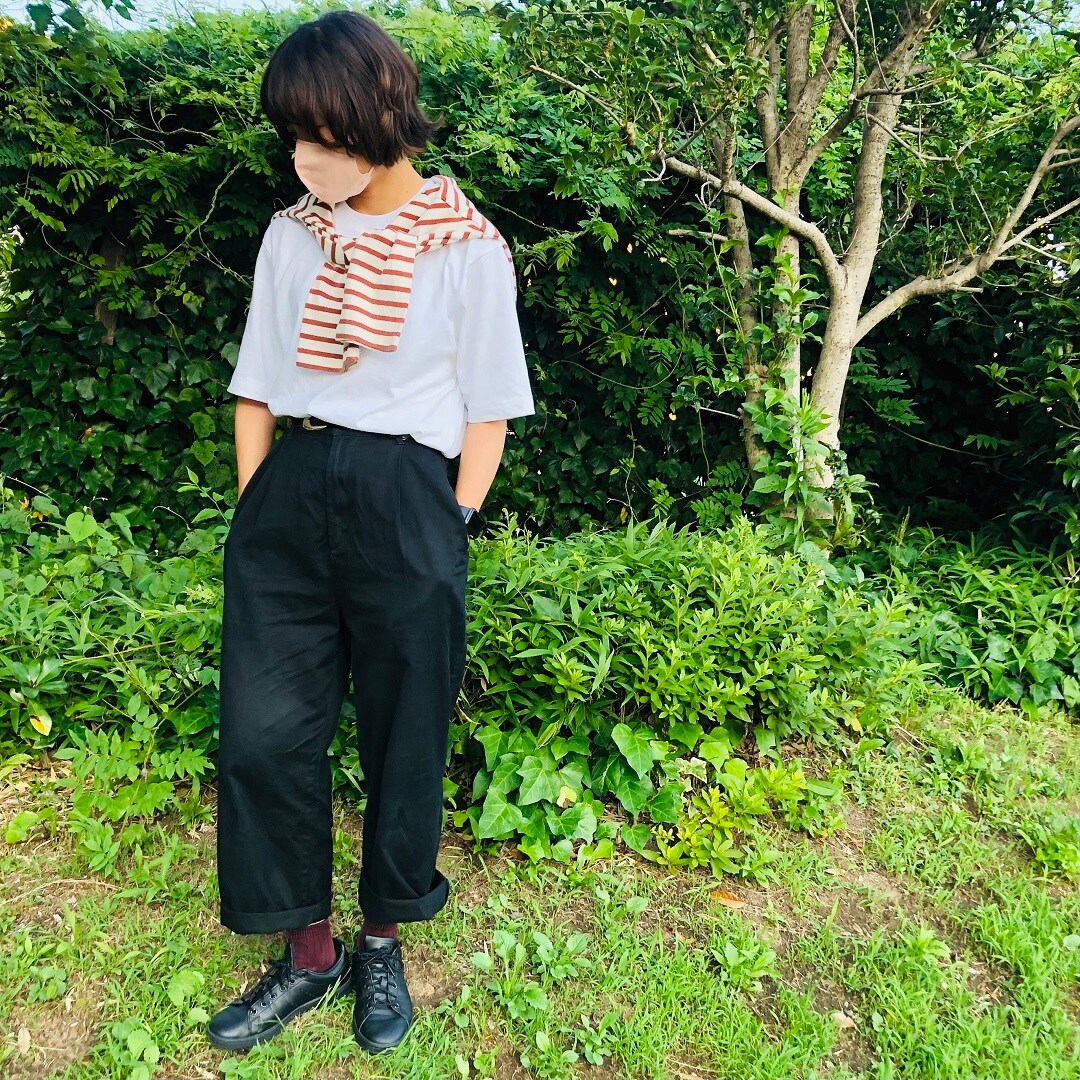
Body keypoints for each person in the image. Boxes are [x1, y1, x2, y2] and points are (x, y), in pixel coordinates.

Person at [205, 9, 536, 1056]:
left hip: (409, 497)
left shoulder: (467, 248)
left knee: (406, 732)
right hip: (291, 492)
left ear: (378, 116)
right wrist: (258, 506)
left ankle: (383, 941)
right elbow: (257, 383)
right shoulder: (291, 235)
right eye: (293, 138)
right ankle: (310, 955)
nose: (304, 158)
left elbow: (489, 406)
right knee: (265, 735)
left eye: (319, 136)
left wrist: (453, 519)